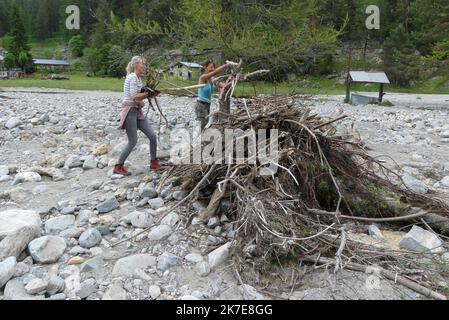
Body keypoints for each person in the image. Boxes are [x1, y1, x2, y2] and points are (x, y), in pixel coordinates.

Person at [114, 56, 161, 176]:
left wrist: (148, 92)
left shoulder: (138, 79)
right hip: (130, 111)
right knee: (133, 141)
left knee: (152, 136)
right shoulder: (133, 77)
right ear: (136, 66)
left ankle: (153, 162)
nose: (144, 67)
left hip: (137, 112)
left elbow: (138, 94)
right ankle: (118, 166)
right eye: (142, 65)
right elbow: (134, 96)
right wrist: (148, 94)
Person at [195, 60, 232, 130]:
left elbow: (224, 86)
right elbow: (215, 72)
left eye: (214, 67)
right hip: (201, 105)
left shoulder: (212, 80)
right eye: (211, 67)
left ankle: (201, 139)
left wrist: (232, 78)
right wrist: (226, 65)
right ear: (205, 68)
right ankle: (197, 140)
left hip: (207, 105)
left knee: (205, 124)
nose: (213, 69)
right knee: (201, 125)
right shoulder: (203, 78)